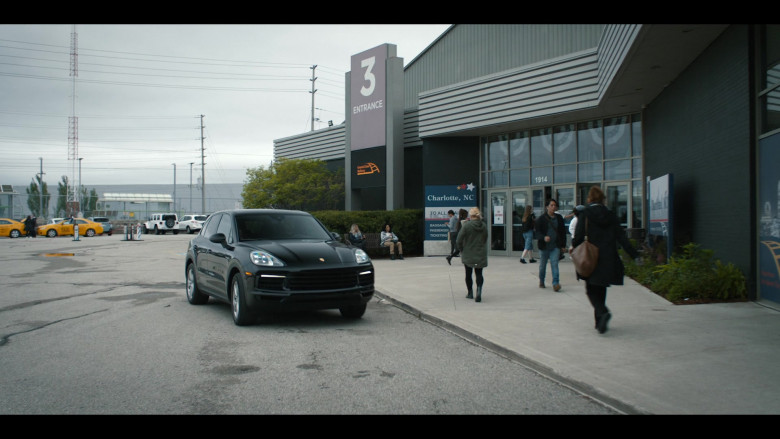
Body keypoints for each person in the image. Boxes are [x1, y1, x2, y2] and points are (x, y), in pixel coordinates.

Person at [572, 186, 640, 334]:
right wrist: (635, 254)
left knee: (590, 289)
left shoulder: (585, 214)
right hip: (608, 257)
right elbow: (621, 237)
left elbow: (578, 236)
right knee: (601, 288)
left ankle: (602, 312)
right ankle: (599, 323)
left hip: (591, 257)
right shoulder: (610, 214)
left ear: (589, 198)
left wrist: (574, 248)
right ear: (603, 198)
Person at [456, 207, 488, 302]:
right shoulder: (484, 225)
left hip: (468, 251)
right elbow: (485, 238)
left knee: (468, 273)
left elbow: (459, 240)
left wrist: (461, 249)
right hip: (480, 252)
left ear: (471, 215)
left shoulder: (466, 225)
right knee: (479, 273)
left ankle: (470, 293)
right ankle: (479, 291)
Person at [534, 198, 566, 291]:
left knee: (554, 264)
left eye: (554, 205)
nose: (553, 207)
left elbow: (562, 232)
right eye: (551, 205)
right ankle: (541, 281)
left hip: (555, 246)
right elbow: (537, 233)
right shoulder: (541, 219)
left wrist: (563, 245)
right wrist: (544, 237)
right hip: (544, 247)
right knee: (542, 265)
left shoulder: (559, 218)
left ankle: (555, 283)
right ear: (547, 207)